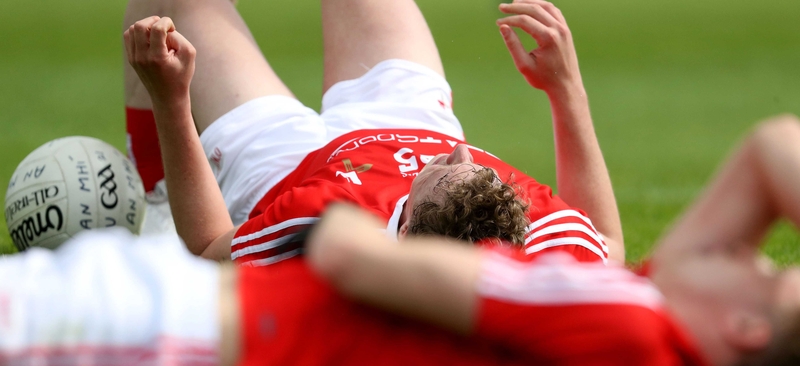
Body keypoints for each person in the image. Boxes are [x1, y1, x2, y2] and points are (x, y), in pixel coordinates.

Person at [2, 115, 800, 366]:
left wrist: (350, 201)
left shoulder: (630, 334)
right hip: (193, 316)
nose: (752, 251)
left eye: (770, 273)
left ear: (744, 326)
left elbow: (357, 262)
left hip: (182, 339)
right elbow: (774, 148)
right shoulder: (644, 320)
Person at [123, 0, 624, 265]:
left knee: (170, 16)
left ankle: (159, 192)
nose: (462, 151)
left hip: (287, 163)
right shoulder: (530, 231)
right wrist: (567, 91)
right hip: (409, 116)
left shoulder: (319, 224)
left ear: (403, 231)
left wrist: (173, 103)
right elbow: (608, 244)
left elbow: (210, 247)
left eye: (443, 172)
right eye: (482, 171)